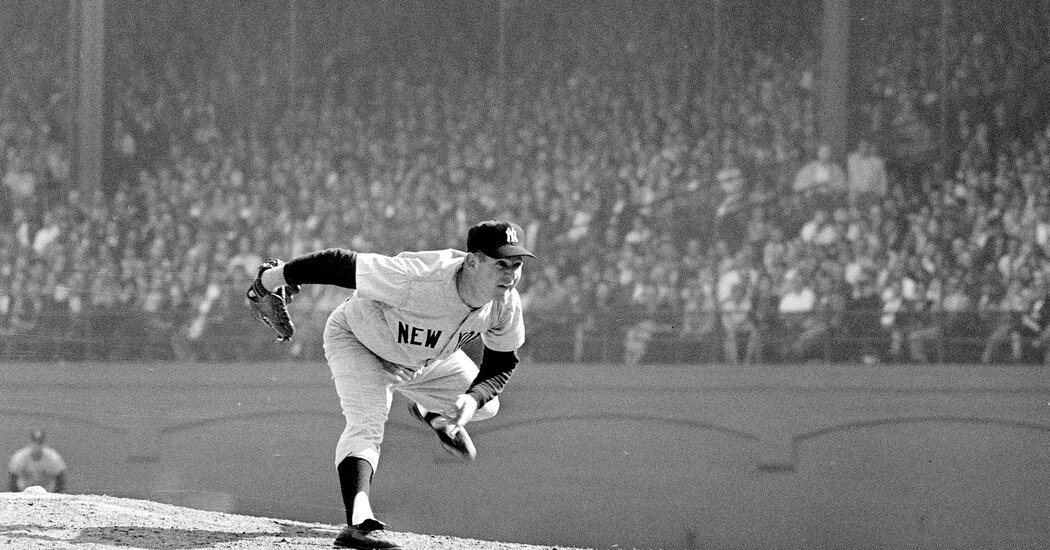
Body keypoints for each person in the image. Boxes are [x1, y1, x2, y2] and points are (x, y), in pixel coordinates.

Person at [247, 220, 535, 550]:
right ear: (473, 261)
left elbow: (501, 362)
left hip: (423, 362)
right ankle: (358, 523)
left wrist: (472, 399)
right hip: (360, 343)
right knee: (366, 426)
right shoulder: (418, 277)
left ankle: (429, 410)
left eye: (516, 264)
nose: (510, 274)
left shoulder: (505, 303)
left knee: (487, 406)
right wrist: (267, 281)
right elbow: (340, 263)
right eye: (501, 263)